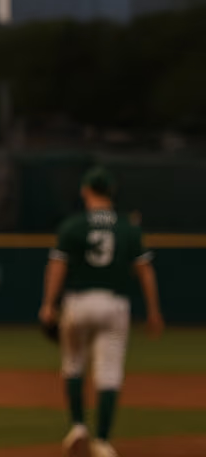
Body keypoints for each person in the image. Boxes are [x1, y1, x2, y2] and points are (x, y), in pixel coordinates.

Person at [39, 167, 164, 457]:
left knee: (73, 364)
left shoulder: (73, 225)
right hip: (114, 304)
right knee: (109, 372)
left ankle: (78, 427)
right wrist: (154, 311)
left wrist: (48, 303)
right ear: (111, 193)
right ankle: (104, 442)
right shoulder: (127, 227)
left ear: (85, 191)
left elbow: (57, 266)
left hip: (78, 303)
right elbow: (145, 272)